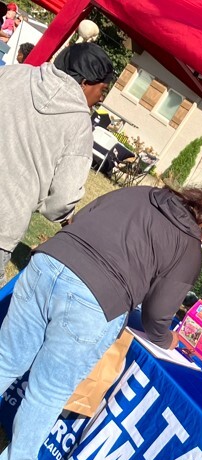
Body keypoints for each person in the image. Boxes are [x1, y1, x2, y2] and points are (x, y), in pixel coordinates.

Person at [0, 184, 202, 460]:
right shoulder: (189, 249)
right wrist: (170, 338)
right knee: (48, 389)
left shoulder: (139, 192)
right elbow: (157, 317)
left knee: (6, 359)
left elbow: (81, 218)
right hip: (93, 301)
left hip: (47, 264)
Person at [0, 42, 114, 287]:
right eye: (102, 90)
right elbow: (62, 199)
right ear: (85, 82)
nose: (100, 98)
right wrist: (56, 211)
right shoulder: (79, 124)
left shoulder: (11, 74)